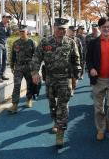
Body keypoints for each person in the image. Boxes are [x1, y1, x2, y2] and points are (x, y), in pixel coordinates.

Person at [31, 18, 81, 147]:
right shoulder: (45, 42)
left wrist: (76, 77)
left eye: (64, 29)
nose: (62, 31)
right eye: (59, 28)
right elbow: (36, 58)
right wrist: (35, 72)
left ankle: (60, 132)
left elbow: (76, 60)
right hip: (50, 79)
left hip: (65, 78)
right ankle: (56, 121)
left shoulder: (70, 43)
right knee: (52, 105)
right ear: (54, 28)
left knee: (63, 105)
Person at [8, 25, 37, 114]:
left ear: (26, 32)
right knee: (17, 85)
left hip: (29, 67)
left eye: (23, 32)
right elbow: (13, 56)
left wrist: (35, 69)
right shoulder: (15, 43)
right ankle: (15, 105)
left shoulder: (32, 42)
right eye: (20, 32)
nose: (21, 33)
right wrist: (12, 66)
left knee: (29, 84)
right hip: (18, 67)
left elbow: (36, 57)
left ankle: (28, 99)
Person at [67, 25, 83, 96]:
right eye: (72, 31)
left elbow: (81, 52)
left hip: (75, 62)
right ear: (68, 31)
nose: (74, 32)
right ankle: (70, 89)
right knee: (67, 78)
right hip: (67, 62)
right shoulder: (65, 39)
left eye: (75, 31)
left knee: (75, 79)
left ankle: (73, 88)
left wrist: (81, 63)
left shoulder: (78, 40)